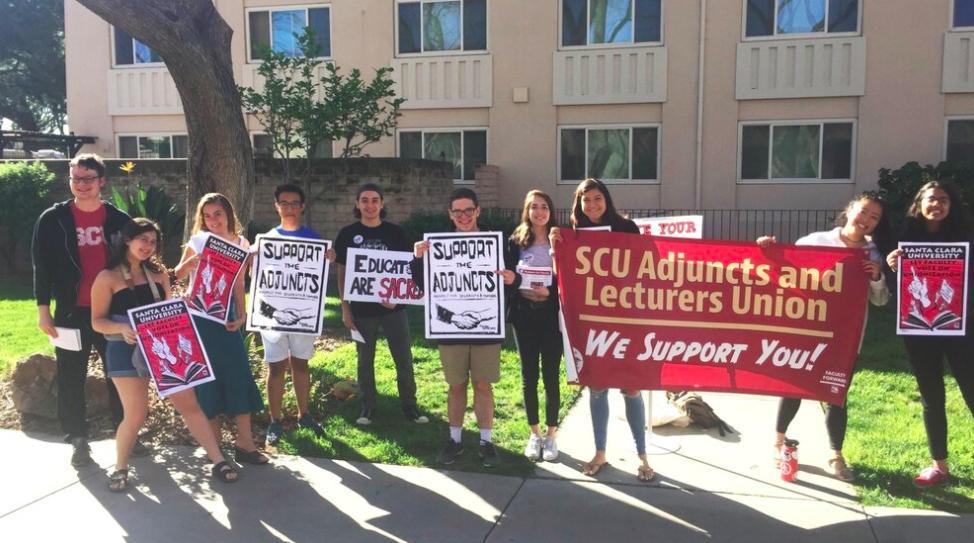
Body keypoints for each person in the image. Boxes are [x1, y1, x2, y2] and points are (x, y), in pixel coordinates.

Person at [91, 218, 238, 490]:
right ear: (127, 240)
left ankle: (218, 459)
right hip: (124, 351)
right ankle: (121, 468)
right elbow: (97, 321)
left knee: (189, 405)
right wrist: (121, 327)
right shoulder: (107, 277)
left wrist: (181, 308)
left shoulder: (158, 276)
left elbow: (167, 309)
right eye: (142, 240)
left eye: (152, 242)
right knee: (135, 414)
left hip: (164, 350)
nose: (147, 246)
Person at [757, 193, 891, 482]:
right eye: (864, 211)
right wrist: (768, 250)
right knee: (794, 389)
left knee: (836, 395)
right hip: (807, 333)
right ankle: (778, 442)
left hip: (844, 340)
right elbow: (785, 271)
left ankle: (836, 456)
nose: (866, 220)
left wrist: (877, 277)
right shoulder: (816, 241)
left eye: (874, 217)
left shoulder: (874, 254)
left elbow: (880, 301)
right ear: (850, 209)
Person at [31, 153, 135, 467]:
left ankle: (126, 435)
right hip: (70, 313)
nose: (81, 184)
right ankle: (78, 439)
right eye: (76, 178)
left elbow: (135, 262)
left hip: (111, 314)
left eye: (88, 178)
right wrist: (43, 310)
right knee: (70, 377)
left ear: (102, 181)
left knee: (120, 376)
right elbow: (42, 265)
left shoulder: (118, 219)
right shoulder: (53, 218)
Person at [549, 178, 655, 482]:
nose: (592, 205)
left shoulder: (627, 228)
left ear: (606, 199)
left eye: (597, 198)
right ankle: (600, 452)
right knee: (597, 386)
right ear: (578, 204)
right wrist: (559, 249)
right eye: (586, 200)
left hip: (626, 319)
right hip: (592, 321)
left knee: (631, 387)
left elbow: (647, 266)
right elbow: (563, 278)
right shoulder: (573, 235)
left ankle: (642, 455)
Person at [411, 188, 517, 467]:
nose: (463, 216)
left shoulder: (496, 244)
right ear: (450, 214)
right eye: (457, 211)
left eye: (468, 210)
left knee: (483, 385)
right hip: (452, 331)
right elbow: (424, 287)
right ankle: (455, 440)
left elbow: (512, 281)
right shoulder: (436, 246)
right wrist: (418, 260)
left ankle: (486, 441)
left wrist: (511, 279)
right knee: (456, 385)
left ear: (478, 211)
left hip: (486, 329)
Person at [885, 181, 974, 488]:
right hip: (918, 329)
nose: (937, 204)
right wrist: (891, 265)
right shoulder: (903, 239)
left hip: (960, 327)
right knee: (931, 396)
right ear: (919, 204)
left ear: (951, 206)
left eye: (943, 200)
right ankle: (940, 465)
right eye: (931, 199)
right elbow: (890, 288)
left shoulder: (966, 239)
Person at [174, 193, 268, 466]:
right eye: (208, 215)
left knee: (238, 375)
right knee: (207, 380)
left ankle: (245, 443)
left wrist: (242, 314)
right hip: (200, 317)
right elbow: (178, 274)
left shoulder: (241, 244)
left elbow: (238, 284)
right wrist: (192, 262)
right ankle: (215, 448)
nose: (213, 220)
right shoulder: (198, 241)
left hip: (226, 317)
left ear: (229, 214)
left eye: (218, 213)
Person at [335, 183, 427, 426]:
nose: (370, 205)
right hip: (362, 310)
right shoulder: (347, 234)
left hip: (393, 308)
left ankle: (410, 405)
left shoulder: (396, 233)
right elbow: (342, 273)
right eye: (364, 200)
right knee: (365, 359)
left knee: (403, 357)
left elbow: (407, 269)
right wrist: (345, 308)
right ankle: (368, 406)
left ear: (382, 204)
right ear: (357, 204)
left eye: (375, 200)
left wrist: (397, 296)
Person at [261, 184, 326, 446]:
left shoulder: (314, 239)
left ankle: (304, 414)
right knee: (275, 368)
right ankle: (274, 421)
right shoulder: (265, 241)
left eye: (293, 203)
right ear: (276, 206)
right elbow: (260, 283)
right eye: (283, 203)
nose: (288, 208)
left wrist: (328, 257)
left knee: (301, 364)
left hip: (304, 315)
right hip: (274, 319)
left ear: (302, 206)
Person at [508, 190, 562, 461]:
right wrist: (520, 287)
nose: (539, 212)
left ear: (551, 211)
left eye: (544, 207)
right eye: (534, 207)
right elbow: (507, 277)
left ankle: (551, 436)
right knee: (529, 376)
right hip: (524, 316)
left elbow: (568, 281)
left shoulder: (560, 240)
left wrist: (549, 294)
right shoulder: (515, 241)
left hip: (551, 317)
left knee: (551, 376)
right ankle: (534, 434)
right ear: (527, 211)